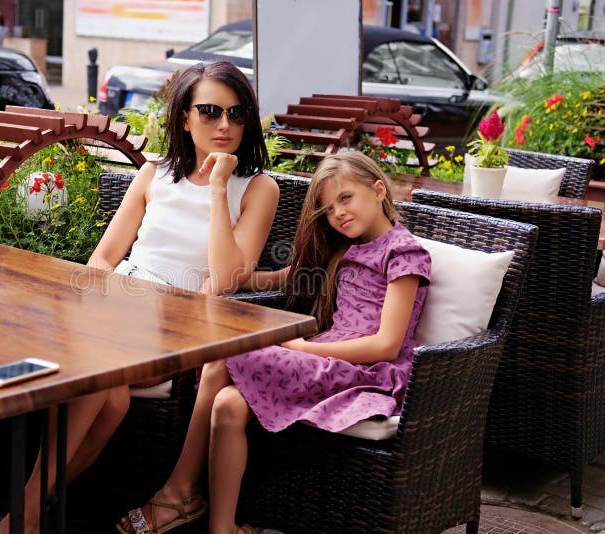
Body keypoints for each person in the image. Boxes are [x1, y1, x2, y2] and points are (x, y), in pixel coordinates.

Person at [116, 151, 431, 534]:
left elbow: (386, 344)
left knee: (224, 353)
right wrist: (235, 277)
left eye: (345, 198)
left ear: (379, 189)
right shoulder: (347, 249)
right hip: (330, 358)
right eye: (329, 209)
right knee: (228, 405)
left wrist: (303, 348)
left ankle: (180, 490)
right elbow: (287, 279)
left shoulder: (404, 252)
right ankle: (223, 527)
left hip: (367, 371)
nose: (338, 214)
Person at [87, 60, 279, 296]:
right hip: (126, 292)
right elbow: (102, 259)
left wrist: (218, 187)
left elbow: (225, 281)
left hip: (180, 312)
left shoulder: (258, 189)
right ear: (185, 119)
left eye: (237, 113)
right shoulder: (153, 173)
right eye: (210, 112)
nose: (225, 125)